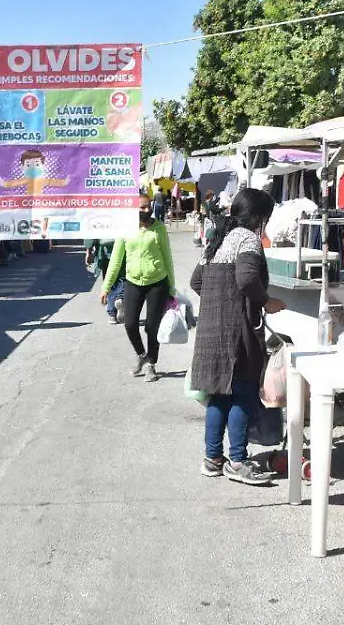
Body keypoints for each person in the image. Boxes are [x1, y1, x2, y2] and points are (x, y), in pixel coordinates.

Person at [190, 188, 283, 486]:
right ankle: (238, 462)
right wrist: (267, 302)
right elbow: (246, 279)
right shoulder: (247, 239)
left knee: (220, 394)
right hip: (236, 331)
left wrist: (219, 300)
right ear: (257, 216)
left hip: (210, 330)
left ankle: (213, 459)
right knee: (243, 392)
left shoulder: (216, 241)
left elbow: (196, 281)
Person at [100, 196, 175, 381]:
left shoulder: (159, 228)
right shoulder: (126, 229)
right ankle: (142, 355)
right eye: (143, 207)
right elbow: (116, 261)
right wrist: (106, 287)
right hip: (133, 282)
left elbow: (167, 257)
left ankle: (151, 364)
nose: (147, 209)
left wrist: (172, 288)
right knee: (130, 324)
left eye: (149, 206)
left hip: (157, 282)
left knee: (152, 327)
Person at [86, 237, 124, 324]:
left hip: (105, 250)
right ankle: (121, 297)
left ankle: (112, 313)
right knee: (123, 275)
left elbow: (90, 231)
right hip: (123, 245)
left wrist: (89, 250)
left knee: (108, 277)